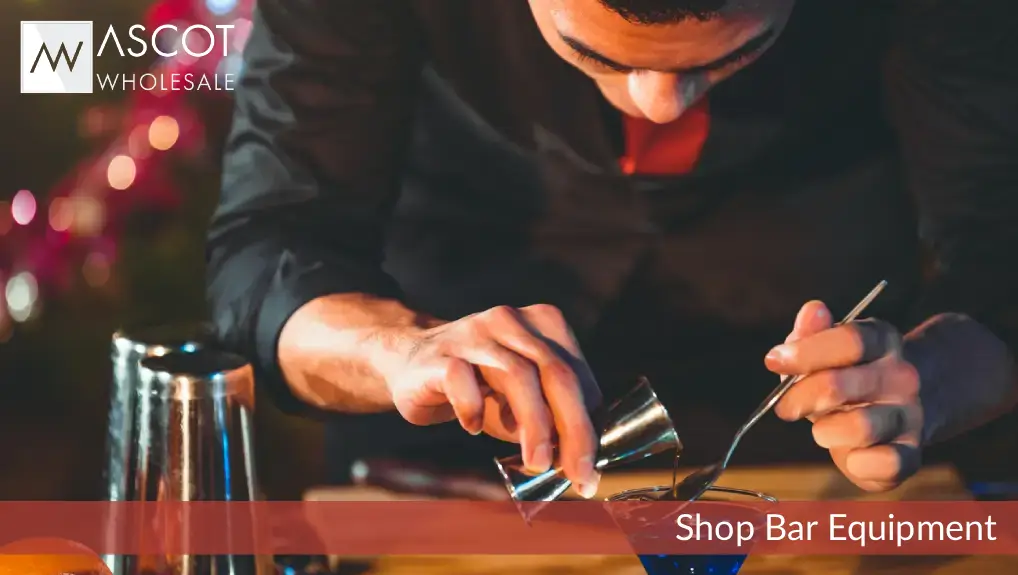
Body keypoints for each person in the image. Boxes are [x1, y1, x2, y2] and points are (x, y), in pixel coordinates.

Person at [207, 0, 1018, 497]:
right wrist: (401, 350)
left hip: (806, 465)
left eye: (732, 54)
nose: (658, 105)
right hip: (454, 460)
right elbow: (270, 248)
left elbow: (1002, 245)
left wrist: (935, 379)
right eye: (594, 51)